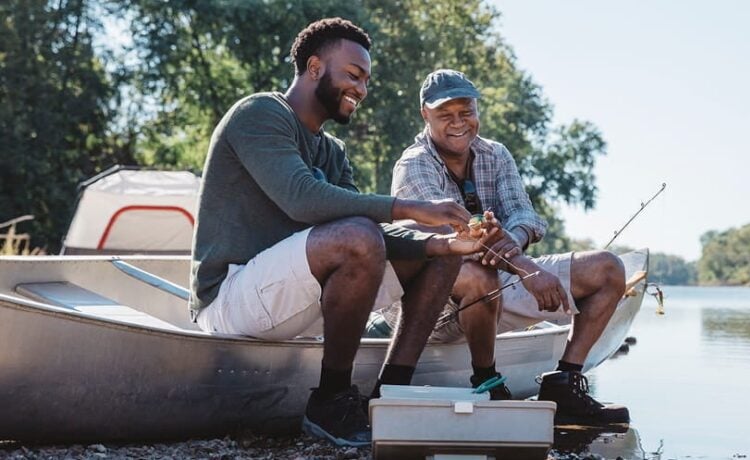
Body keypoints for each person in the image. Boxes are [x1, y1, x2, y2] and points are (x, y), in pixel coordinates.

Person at [189, 22, 497, 447]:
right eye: (354, 75)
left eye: (366, 79)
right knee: (358, 235)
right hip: (231, 299)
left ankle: (392, 394)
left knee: (437, 251)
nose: (363, 88)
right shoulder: (260, 114)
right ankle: (332, 398)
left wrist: (444, 242)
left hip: (297, 299)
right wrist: (412, 208)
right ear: (314, 67)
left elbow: (376, 232)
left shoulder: (333, 151)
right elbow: (302, 199)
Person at [389, 69, 631, 425]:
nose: (459, 123)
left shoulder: (495, 154)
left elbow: (526, 216)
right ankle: (486, 380)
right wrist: (527, 268)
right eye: (445, 115)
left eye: (466, 111)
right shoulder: (414, 164)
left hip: (499, 279)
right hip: (431, 305)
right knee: (475, 272)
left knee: (608, 268)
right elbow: (458, 240)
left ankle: (564, 384)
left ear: (477, 110)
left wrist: (512, 239)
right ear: (425, 115)